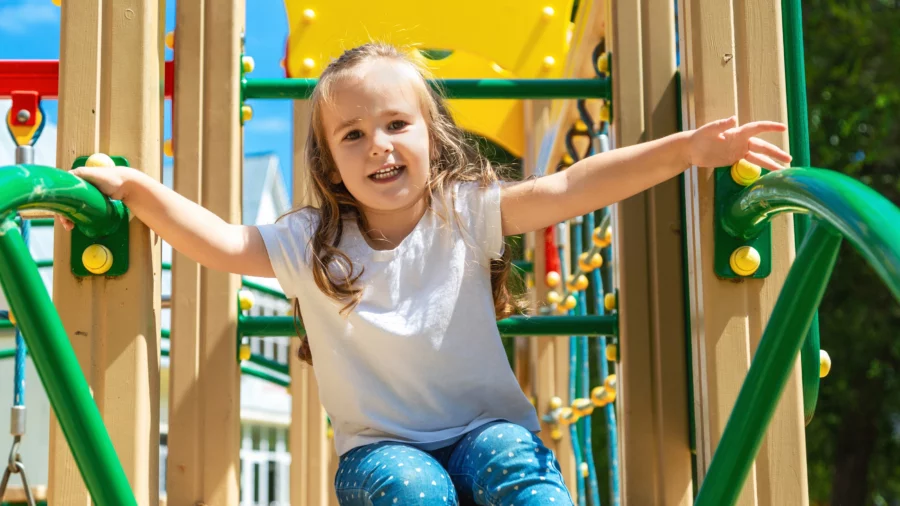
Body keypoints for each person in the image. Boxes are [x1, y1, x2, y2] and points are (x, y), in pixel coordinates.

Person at [61, 42, 791, 505]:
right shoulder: (310, 241)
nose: (378, 145)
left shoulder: (464, 212)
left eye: (395, 125)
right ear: (332, 165)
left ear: (432, 137)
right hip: (380, 450)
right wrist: (138, 191)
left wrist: (686, 151)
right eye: (352, 135)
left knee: (516, 467)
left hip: (486, 428)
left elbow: (570, 190)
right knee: (415, 489)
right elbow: (221, 241)